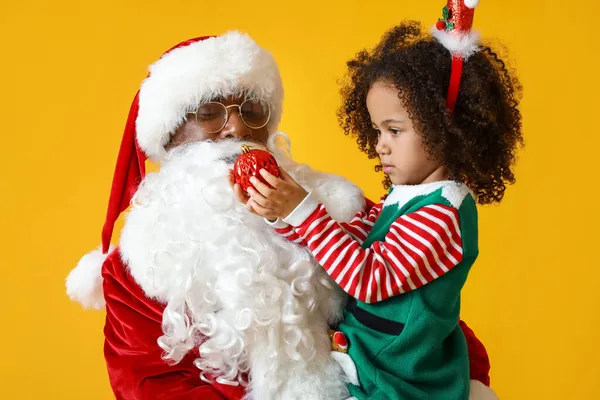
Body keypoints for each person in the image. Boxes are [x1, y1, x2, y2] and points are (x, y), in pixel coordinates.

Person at [235, 1, 522, 399]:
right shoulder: (412, 194)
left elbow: (370, 278)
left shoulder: (443, 214)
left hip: (396, 379)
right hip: (367, 356)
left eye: (394, 130)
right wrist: (282, 214)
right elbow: (358, 241)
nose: (380, 146)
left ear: (446, 130)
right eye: (376, 130)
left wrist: (303, 212)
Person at [65, 31, 364, 399]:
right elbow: (150, 384)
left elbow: (410, 312)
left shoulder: (338, 207)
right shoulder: (138, 263)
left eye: (252, 111)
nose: (237, 128)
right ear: (171, 134)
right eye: (209, 113)